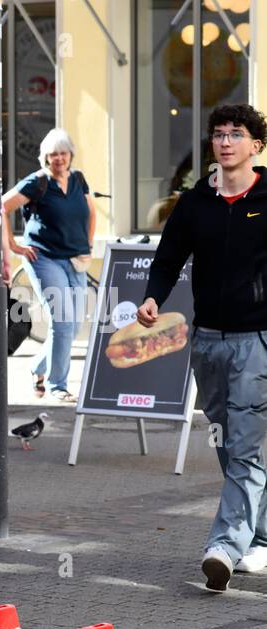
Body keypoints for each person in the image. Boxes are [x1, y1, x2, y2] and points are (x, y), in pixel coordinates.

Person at [137, 104, 267, 593]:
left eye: (236, 134)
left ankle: (224, 547)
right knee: (227, 441)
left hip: (258, 340)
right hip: (208, 341)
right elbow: (167, 259)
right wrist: (152, 297)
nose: (226, 142)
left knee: (247, 447)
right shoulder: (195, 204)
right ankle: (262, 537)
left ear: (256, 144)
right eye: (218, 134)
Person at [2, 128, 96, 403]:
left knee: (73, 325)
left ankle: (37, 367)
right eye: (53, 154)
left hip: (76, 258)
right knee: (63, 320)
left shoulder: (78, 179)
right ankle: (58, 385)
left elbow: (90, 211)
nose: (59, 158)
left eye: (63, 153)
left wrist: (89, 243)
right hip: (44, 258)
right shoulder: (37, 182)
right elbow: (1, 206)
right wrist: (15, 245)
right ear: (45, 157)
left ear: (70, 155)